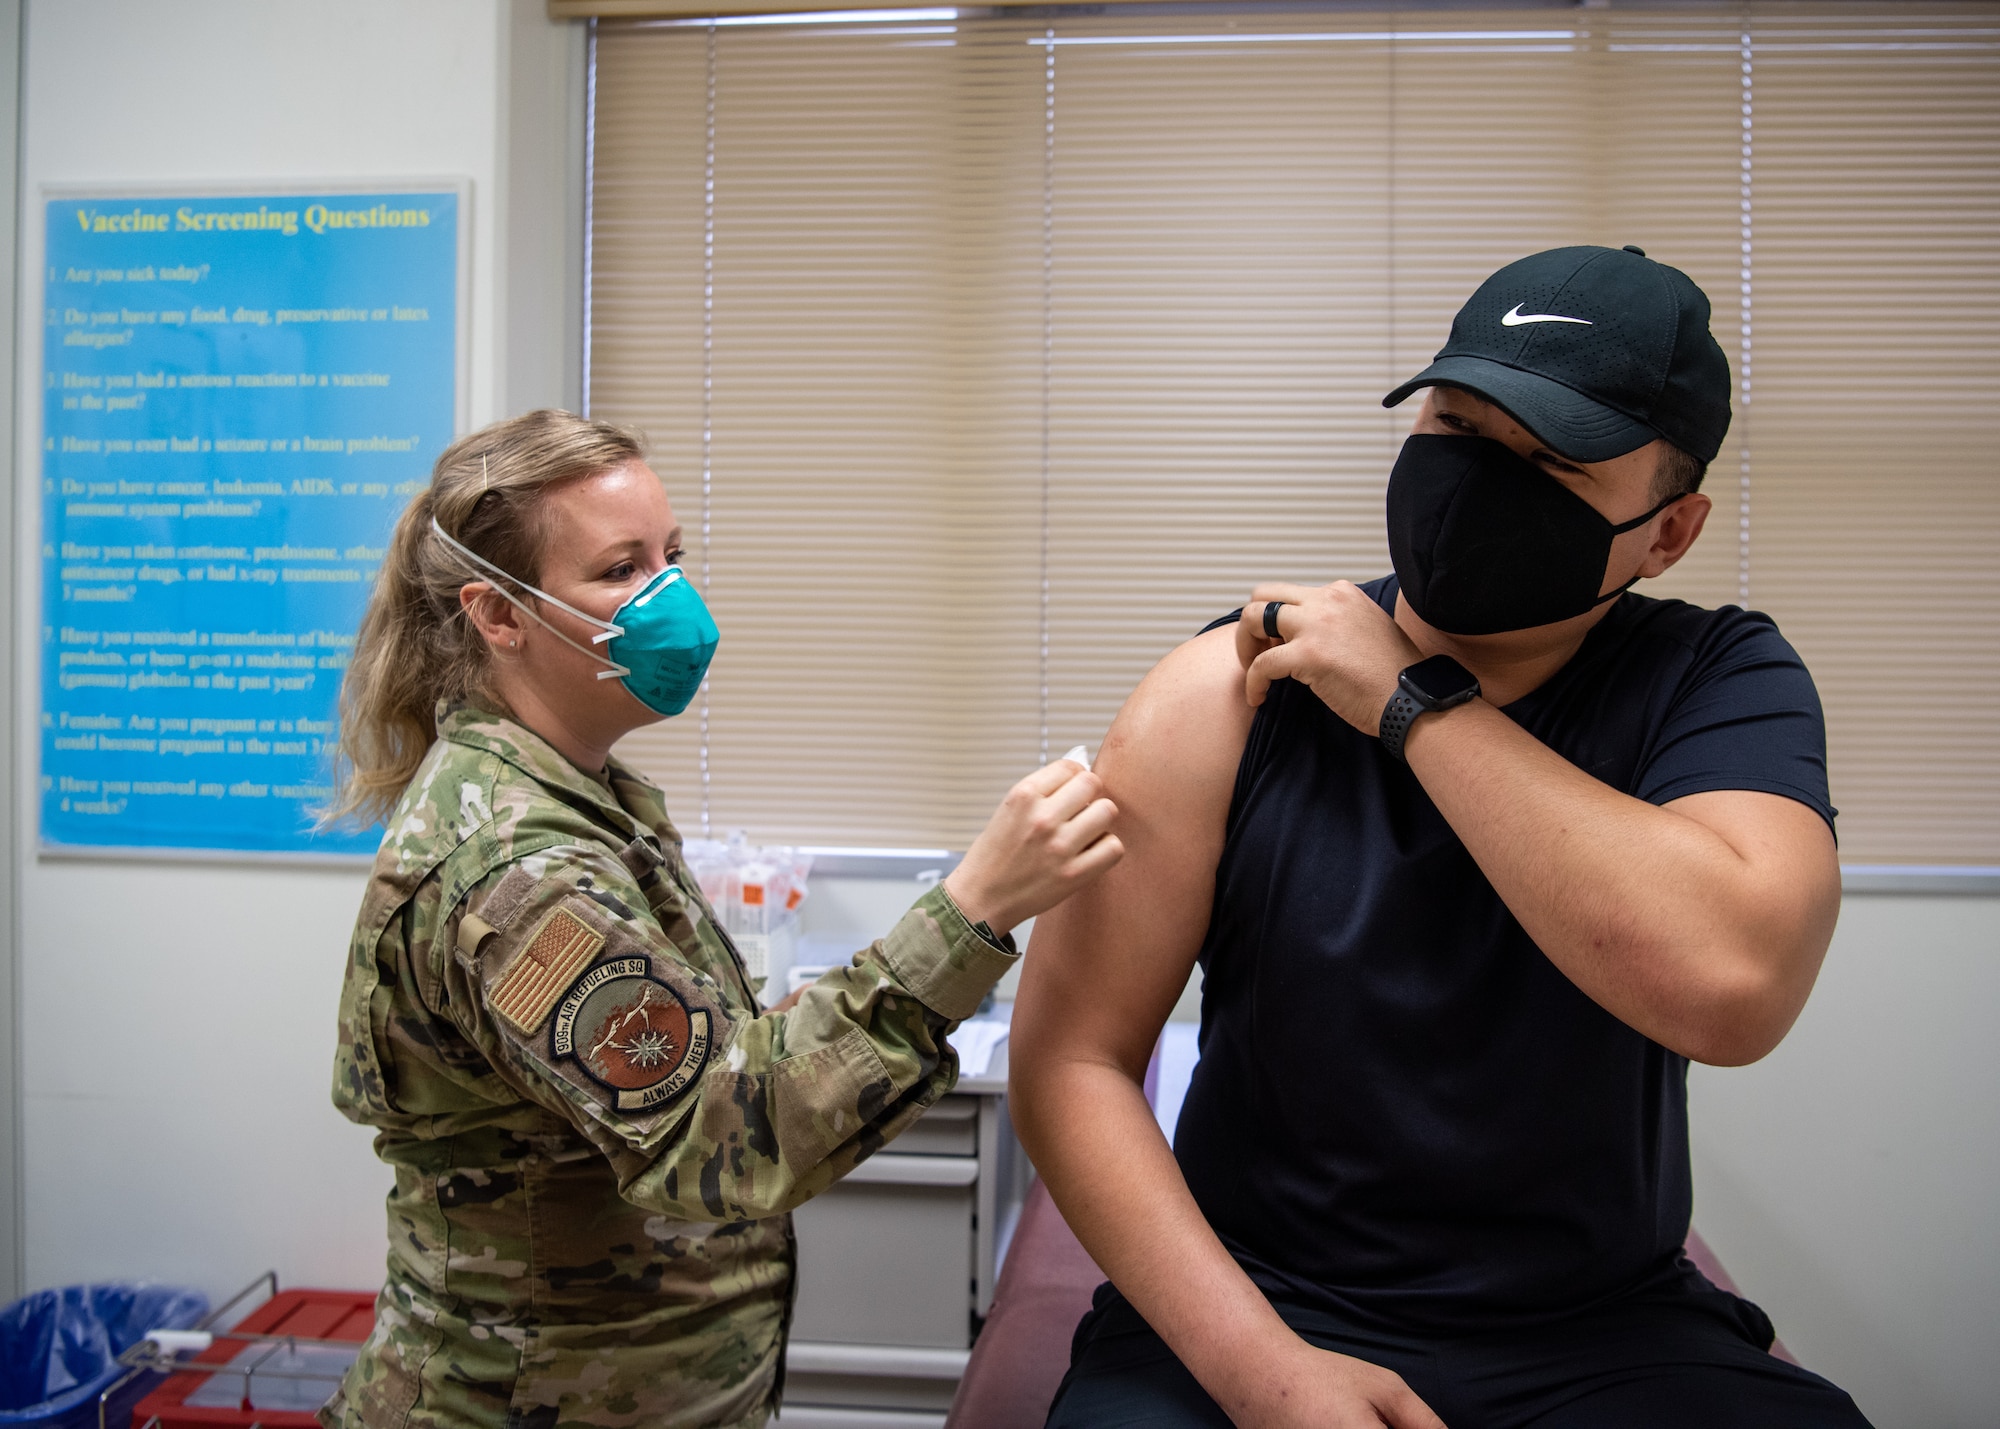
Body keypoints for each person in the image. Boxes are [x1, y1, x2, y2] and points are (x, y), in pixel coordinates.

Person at [1012, 246, 1873, 1427]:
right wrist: (1269, 1379)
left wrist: (1411, 704)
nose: (1477, 482)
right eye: (1457, 424)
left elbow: (1729, 986)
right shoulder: (1229, 687)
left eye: (1551, 462)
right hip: (1259, 1308)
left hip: (1593, 1329)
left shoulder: (1716, 682)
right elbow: (1071, 1061)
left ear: (1666, 533)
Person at [320, 409, 1121, 1429]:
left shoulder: (579, 797)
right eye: (620, 570)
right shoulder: (514, 872)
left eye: (671, 556)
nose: (671, 598)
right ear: (498, 613)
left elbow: (684, 1068)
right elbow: (727, 1139)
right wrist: (973, 908)